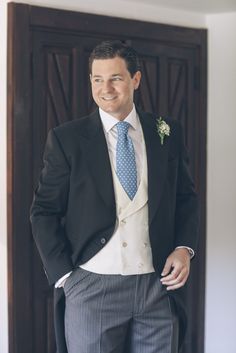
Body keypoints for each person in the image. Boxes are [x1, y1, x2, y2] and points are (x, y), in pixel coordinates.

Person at [30, 40, 199, 353]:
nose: (105, 88)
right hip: (92, 287)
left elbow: (185, 197)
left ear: (135, 80)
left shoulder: (166, 132)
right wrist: (67, 277)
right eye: (97, 79)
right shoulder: (67, 139)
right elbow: (43, 211)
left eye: (116, 78)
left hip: (156, 286)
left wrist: (183, 248)